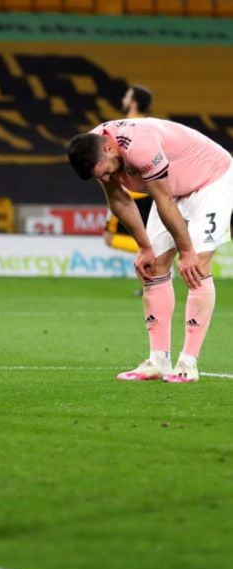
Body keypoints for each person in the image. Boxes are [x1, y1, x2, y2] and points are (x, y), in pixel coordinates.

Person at [67, 117, 233, 383]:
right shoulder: (94, 149)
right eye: (102, 177)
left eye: (107, 172)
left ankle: (188, 363)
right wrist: (144, 246)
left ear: (109, 148)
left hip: (210, 180)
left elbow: (163, 198)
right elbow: (119, 199)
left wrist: (187, 252)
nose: (109, 178)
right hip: (173, 188)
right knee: (153, 265)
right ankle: (158, 361)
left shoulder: (140, 146)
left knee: (197, 265)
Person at [103, 84, 154, 256]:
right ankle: (154, 270)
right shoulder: (151, 127)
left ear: (133, 103)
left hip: (132, 196)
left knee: (110, 238)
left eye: (127, 96)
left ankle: (155, 255)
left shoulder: (123, 129)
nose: (123, 99)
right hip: (151, 193)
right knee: (145, 240)